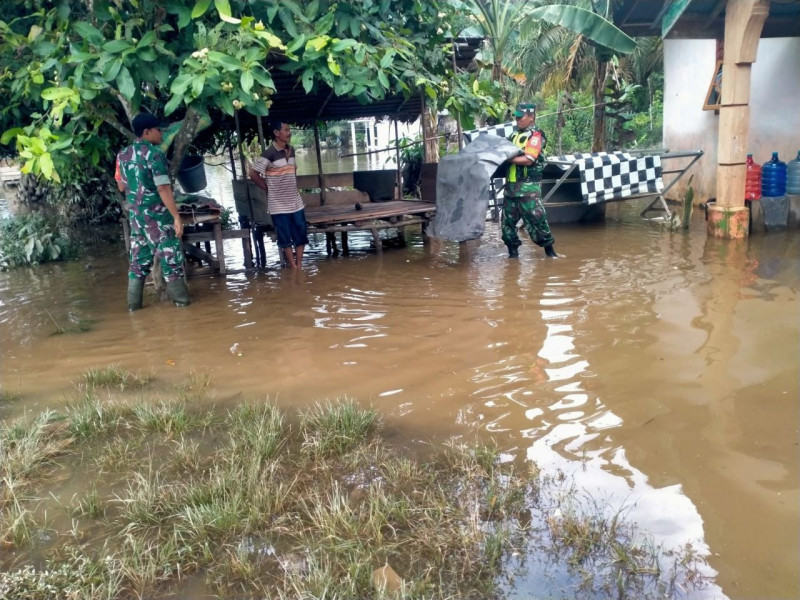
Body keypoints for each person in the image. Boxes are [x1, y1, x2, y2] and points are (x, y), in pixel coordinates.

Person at [117, 113, 190, 310]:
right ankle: (183, 307)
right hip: (157, 217)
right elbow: (163, 188)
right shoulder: (154, 154)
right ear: (147, 132)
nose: (162, 133)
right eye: (159, 130)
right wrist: (176, 216)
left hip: (136, 218)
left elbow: (121, 186)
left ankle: (134, 309)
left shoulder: (122, 155)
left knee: (138, 264)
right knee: (171, 261)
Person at [249, 120, 308, 269]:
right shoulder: (269, 153)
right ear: (276, 133)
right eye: (286, 130)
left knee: (301, 233)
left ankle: (299, 265)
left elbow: (293, 171)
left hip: (295, 201)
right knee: (284, 236)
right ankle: (293, 267)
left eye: (289, 130)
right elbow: (253, 173)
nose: (289, 133)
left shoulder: (292, 150)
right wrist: (267, 188)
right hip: (278, 204)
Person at [502, 102, 557, 259]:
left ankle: (551, 254)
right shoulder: (512, 135)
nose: (517, 120)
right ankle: (513, 258)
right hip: (510, 189)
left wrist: (507, 159)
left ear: (531, 117)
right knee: (507, 226)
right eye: (516, 117)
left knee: (537, 221)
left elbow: (529, 159)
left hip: (528, 189)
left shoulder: (536, 136)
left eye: (521, 117)